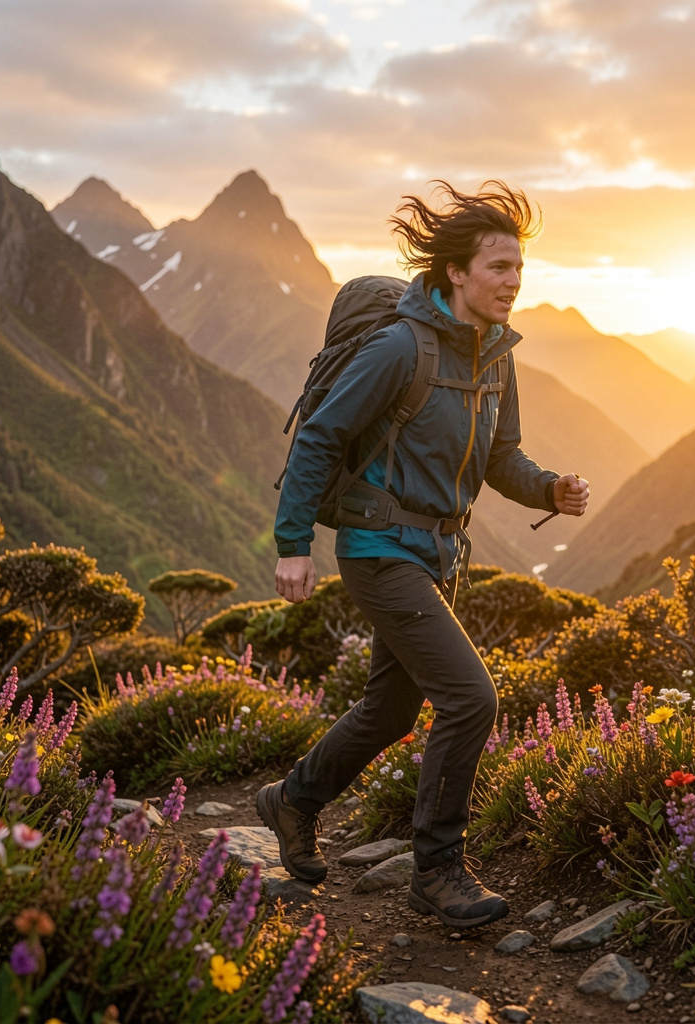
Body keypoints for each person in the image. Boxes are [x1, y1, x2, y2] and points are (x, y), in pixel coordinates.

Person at [257, 181, 590, 929]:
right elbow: (321, 437)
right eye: (499, 267)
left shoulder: (496, 358)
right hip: (378, 548)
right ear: (456, 274)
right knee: (472, 697)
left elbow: (502, 458)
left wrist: (549, 490)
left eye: (519, 270)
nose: (512, 282)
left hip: (437, 555)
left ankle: (294, 800)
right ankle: (438, 869)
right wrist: (293, 544)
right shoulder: (399, 347)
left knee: (391, 705)